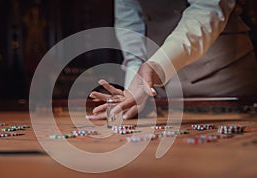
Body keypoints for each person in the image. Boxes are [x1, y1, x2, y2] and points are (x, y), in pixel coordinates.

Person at [86, 0, 257, 120]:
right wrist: (134, 85)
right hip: (163, 89)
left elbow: (207, 9)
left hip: (224, 78)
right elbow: (130, 25)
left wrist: (157, 66)